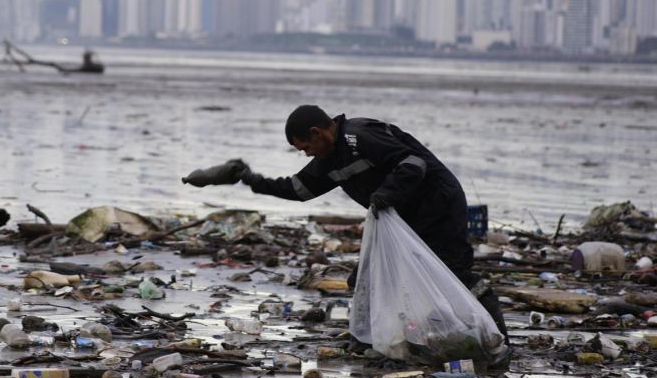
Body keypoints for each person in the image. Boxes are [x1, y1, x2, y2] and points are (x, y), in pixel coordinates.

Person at [196, 104, 508, 337]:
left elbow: (412, 164)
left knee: (453, 272)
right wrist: (250, 179)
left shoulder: (360, 136)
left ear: (318, 133)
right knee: (367, 276)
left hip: (438, 204)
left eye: (305, 147)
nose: (306, 154)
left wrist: (386, 193)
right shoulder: (327, 159)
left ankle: (497, 335)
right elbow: (298, 189)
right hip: (400, 216)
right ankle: (370, 340)